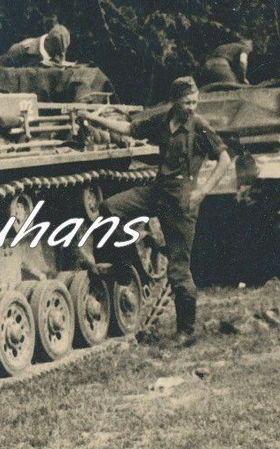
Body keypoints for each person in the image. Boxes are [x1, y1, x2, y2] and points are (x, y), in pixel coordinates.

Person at [84, 77, 231, 345]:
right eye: (187, 102)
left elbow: (224, 157)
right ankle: (126, 265)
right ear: (175, 100)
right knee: (110, 208)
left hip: (181, 201)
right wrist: (93, 119)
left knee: (178, 269)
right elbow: (129, 128)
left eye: (194, 102)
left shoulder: (199, 126)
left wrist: (203, 191)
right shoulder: (163, 120)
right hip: (158, 191)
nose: (191, 107)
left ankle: (186, 331)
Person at [0, 22, 71, 67]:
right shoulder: (22, 49)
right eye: (55, 50)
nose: (59, 55)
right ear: (47, 41)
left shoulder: (59, 50)